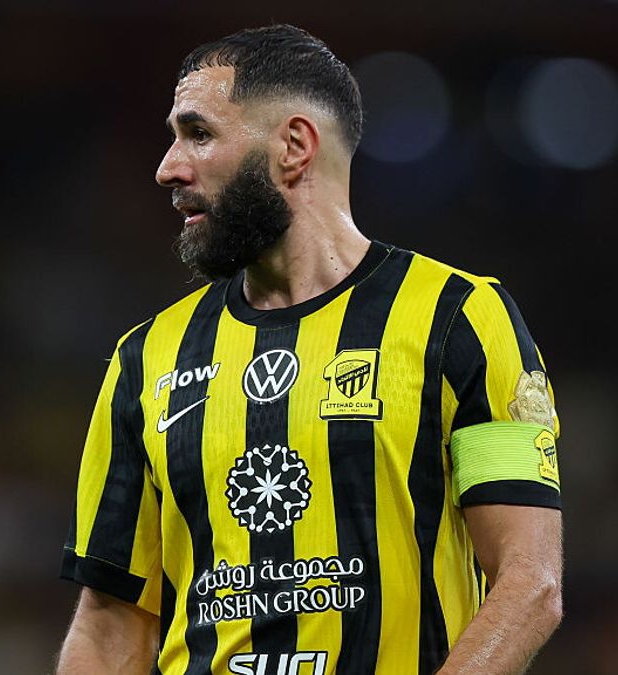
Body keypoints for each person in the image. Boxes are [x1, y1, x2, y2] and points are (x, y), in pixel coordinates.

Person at [57, 24, 563, 675]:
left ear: (294, 146)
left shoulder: (458, 318)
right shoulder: (146, 357)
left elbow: (529, 583)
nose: (168, 167)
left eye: (198, 133)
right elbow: (107, 626)